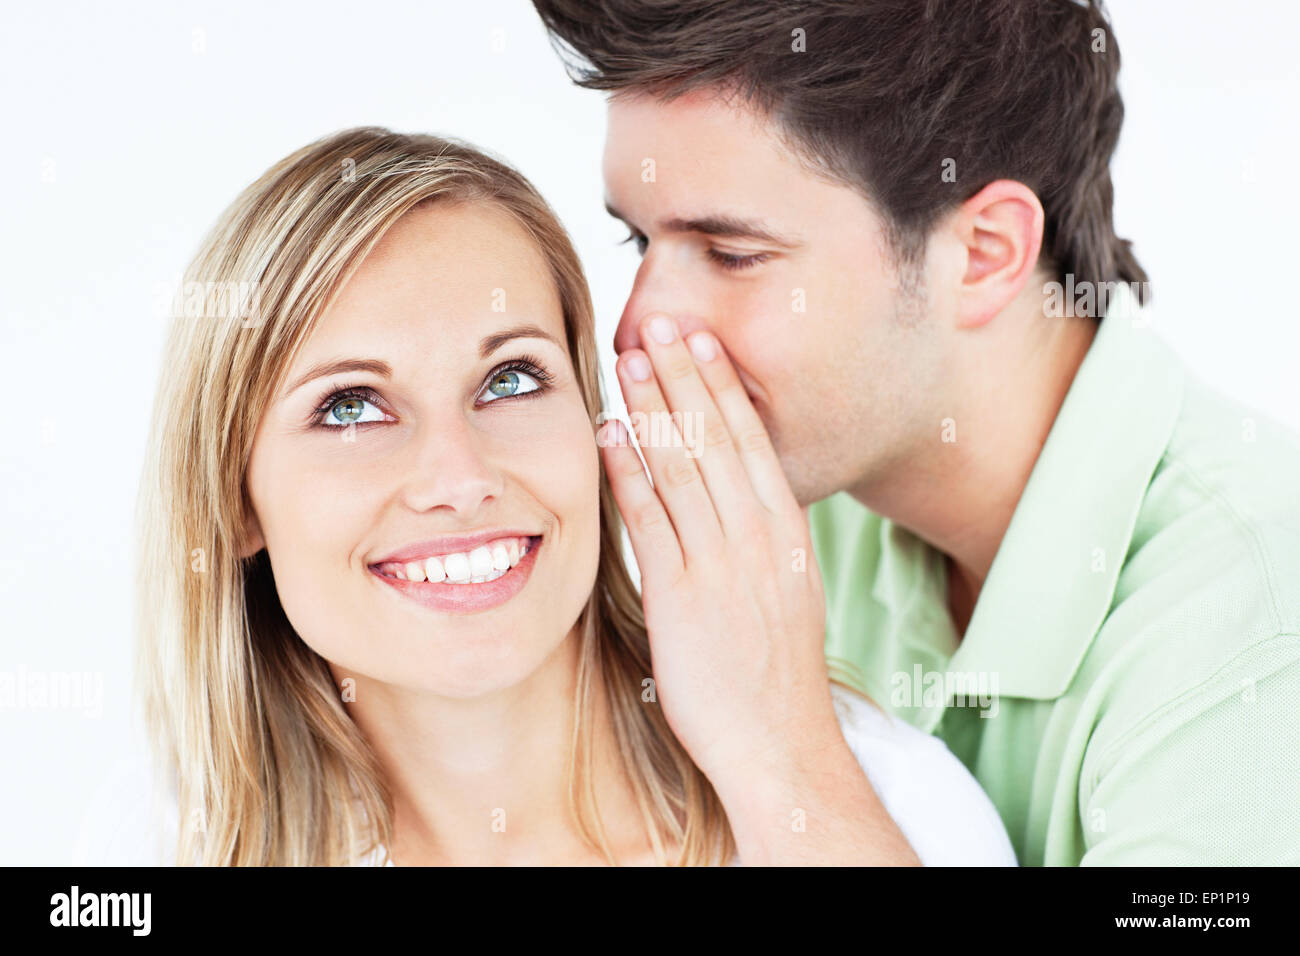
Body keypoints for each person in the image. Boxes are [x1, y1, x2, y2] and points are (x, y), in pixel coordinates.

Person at [74, 127, 1016, 866]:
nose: (459, 479)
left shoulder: (890, 806)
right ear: (236, 502)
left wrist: (787, 781)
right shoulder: (161, 842)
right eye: (350, 406)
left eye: (512, 381)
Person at [530, 0, 1300, 864]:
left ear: (983, 254)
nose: (641, 329)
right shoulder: (800, 503)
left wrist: (777, 746)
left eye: (733, 254)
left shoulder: (1257, 635)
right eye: (639, 241)